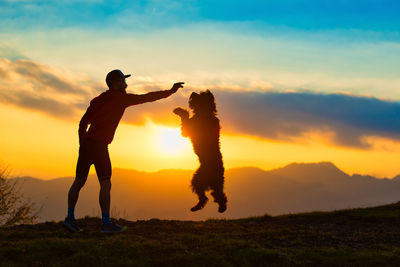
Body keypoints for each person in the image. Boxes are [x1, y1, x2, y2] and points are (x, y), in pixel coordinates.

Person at [62, 69, 184, 233]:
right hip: (99, 147)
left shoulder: (97, 100)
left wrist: (82, 144)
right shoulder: (121, 99)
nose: (126, 84)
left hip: (86, 145)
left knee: (78, 181)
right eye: (123, 81)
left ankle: (70, 219)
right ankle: (106, 223)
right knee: (105, 184)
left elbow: (83, 123)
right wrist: (171, 91)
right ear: (115, 83)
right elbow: (147, 97)